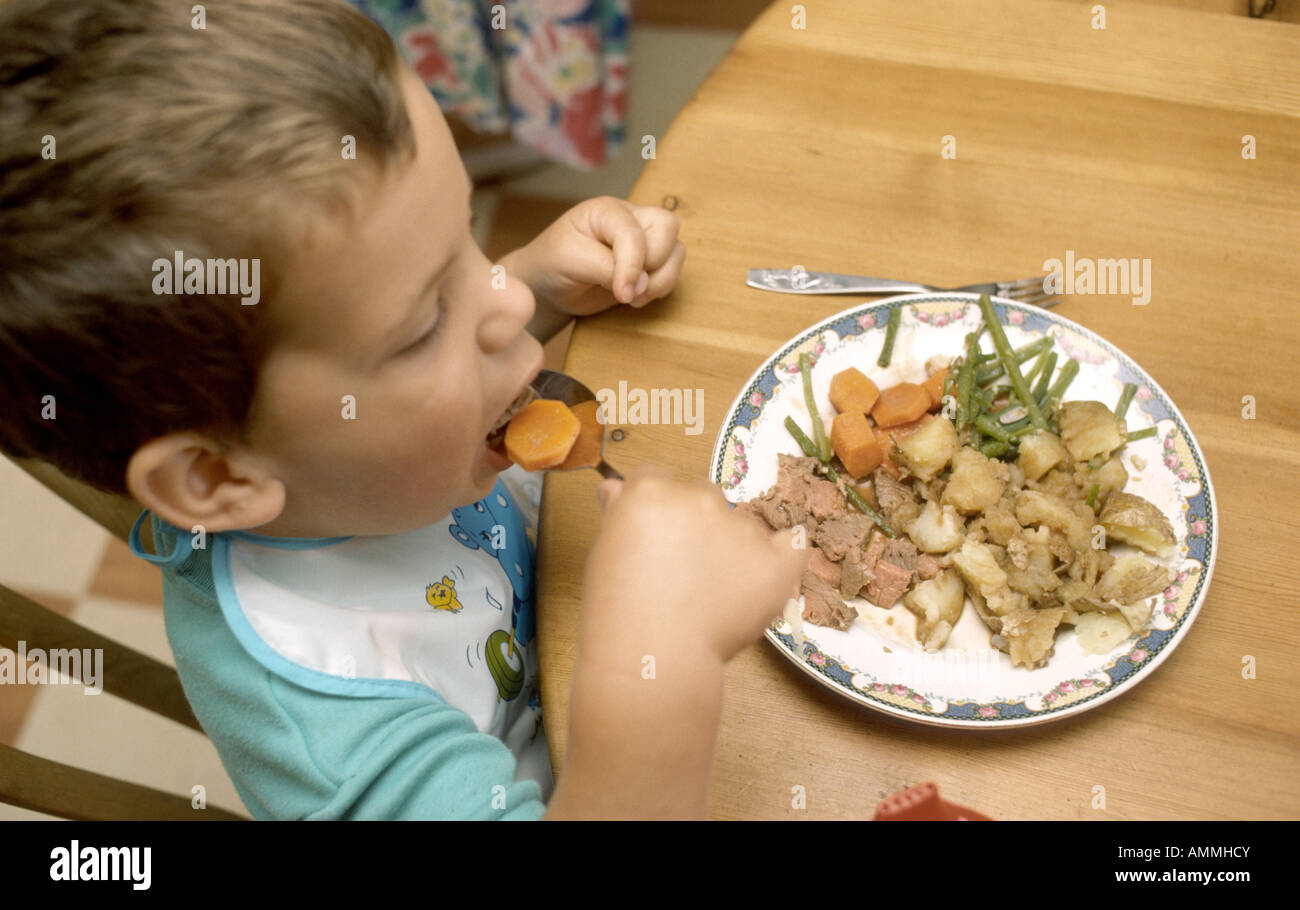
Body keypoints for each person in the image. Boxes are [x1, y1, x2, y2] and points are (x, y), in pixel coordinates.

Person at [0, 0, 807, 819]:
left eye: (464, 235)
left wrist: (538, 284)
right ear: (216, 478)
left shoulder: (342, 454)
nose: (497, 298)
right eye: (424, 322)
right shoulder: (334, 729)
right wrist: (659, 666)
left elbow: (404, 372)